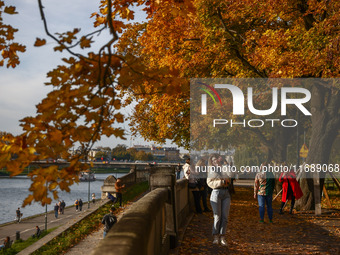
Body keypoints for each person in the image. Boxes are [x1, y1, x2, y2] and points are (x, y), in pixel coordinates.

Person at [207, 154, 231, 246]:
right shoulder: (211, 170)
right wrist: (222, 182)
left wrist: (224, 165)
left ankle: (222, 237)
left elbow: (230, 175)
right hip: (216, 193)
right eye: (213, 160)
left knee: (225, 217)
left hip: (226, 193)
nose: (215, 161)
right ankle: (215, 236)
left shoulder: (224, 167)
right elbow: (209, 183)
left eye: (216, 159)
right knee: (217, 216)